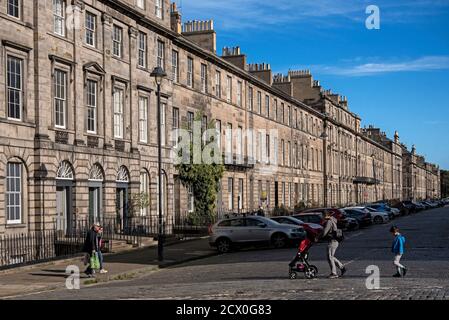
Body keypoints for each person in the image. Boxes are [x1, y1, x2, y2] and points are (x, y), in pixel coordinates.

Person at [321, 211, 346, 278]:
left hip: (333, 240)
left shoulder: (329, 221)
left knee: (330, 257)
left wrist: (318, 237)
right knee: (330, 256)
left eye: (322, 215)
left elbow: (325, 232)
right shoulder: (334, 219)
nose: (322, 217)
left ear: (326, 215)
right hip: (335, 240)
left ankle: (334, 273)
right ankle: (341, 267)